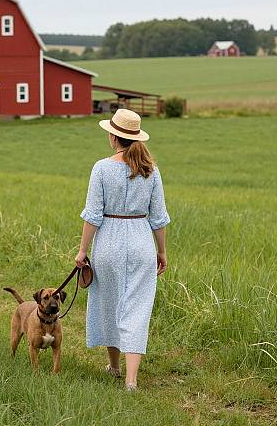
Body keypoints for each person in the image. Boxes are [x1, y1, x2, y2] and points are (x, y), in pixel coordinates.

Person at [75, 108, 170, 391]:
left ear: (114, 137)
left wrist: (82, 251)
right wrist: (161, 251)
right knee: (137, 309)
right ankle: (131, 380)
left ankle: (114, 367)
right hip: (141, 241)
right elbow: (159, 217)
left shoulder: (101, 168)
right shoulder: (151, 170)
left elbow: (92, 215)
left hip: (109, 243)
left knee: (110, 302)